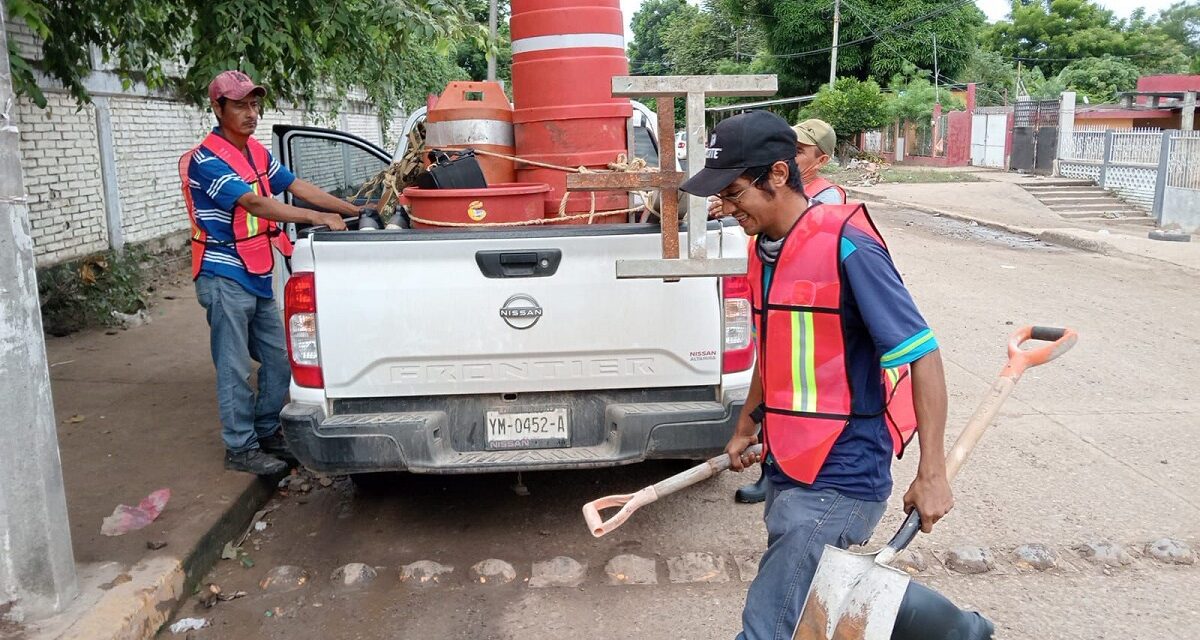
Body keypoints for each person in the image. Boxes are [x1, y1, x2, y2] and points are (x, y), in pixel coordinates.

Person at [681, 110, 989, 640]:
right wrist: (747, 425)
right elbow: (771, 347)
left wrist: (932, 472)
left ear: (778, 175)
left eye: (733, 193)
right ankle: (958, 631)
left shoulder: (848, 246)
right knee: (814, 588)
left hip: (842, 469)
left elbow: (923, 353)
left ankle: (957, 630)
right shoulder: (762, 251)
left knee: (772, 622)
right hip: (788, 460)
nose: (727, 210)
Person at [179, 70, 364, 475]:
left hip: (256, 270)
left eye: (254, 104)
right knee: (233, 366)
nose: (251, 113)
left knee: (280, 358)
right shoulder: (206, 160)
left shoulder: (256, 153)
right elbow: (257, 205)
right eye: (241, 105)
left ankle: (266, 433)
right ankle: (240, 448)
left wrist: (353, 210)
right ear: (218, 107)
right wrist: (318, 216)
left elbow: (297, 185)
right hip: (223, 274)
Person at [733, 117, 846, 504]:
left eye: (800, 151)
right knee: (775, 385)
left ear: (822, 159)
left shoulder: (827, 201)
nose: (791, 156)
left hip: (808, 318)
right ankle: (774, 468)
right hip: (772, 304)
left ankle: (792, 471)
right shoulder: (767, 200)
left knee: (802, 401)